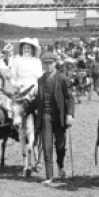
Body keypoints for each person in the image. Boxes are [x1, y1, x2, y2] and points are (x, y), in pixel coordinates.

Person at [24, 52, 75, 186]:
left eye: (50, 63)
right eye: (45, 63)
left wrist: (70, 115)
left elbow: (70, 98)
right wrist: (24, 110)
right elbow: (38, 100)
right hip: (45, 116)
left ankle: (61, 166)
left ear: (55, 64)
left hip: (59, 116)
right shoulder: (40, 80)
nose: (48, 66)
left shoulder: (63, 79)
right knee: (46, 146)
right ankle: (49, 176)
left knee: (60, 146)